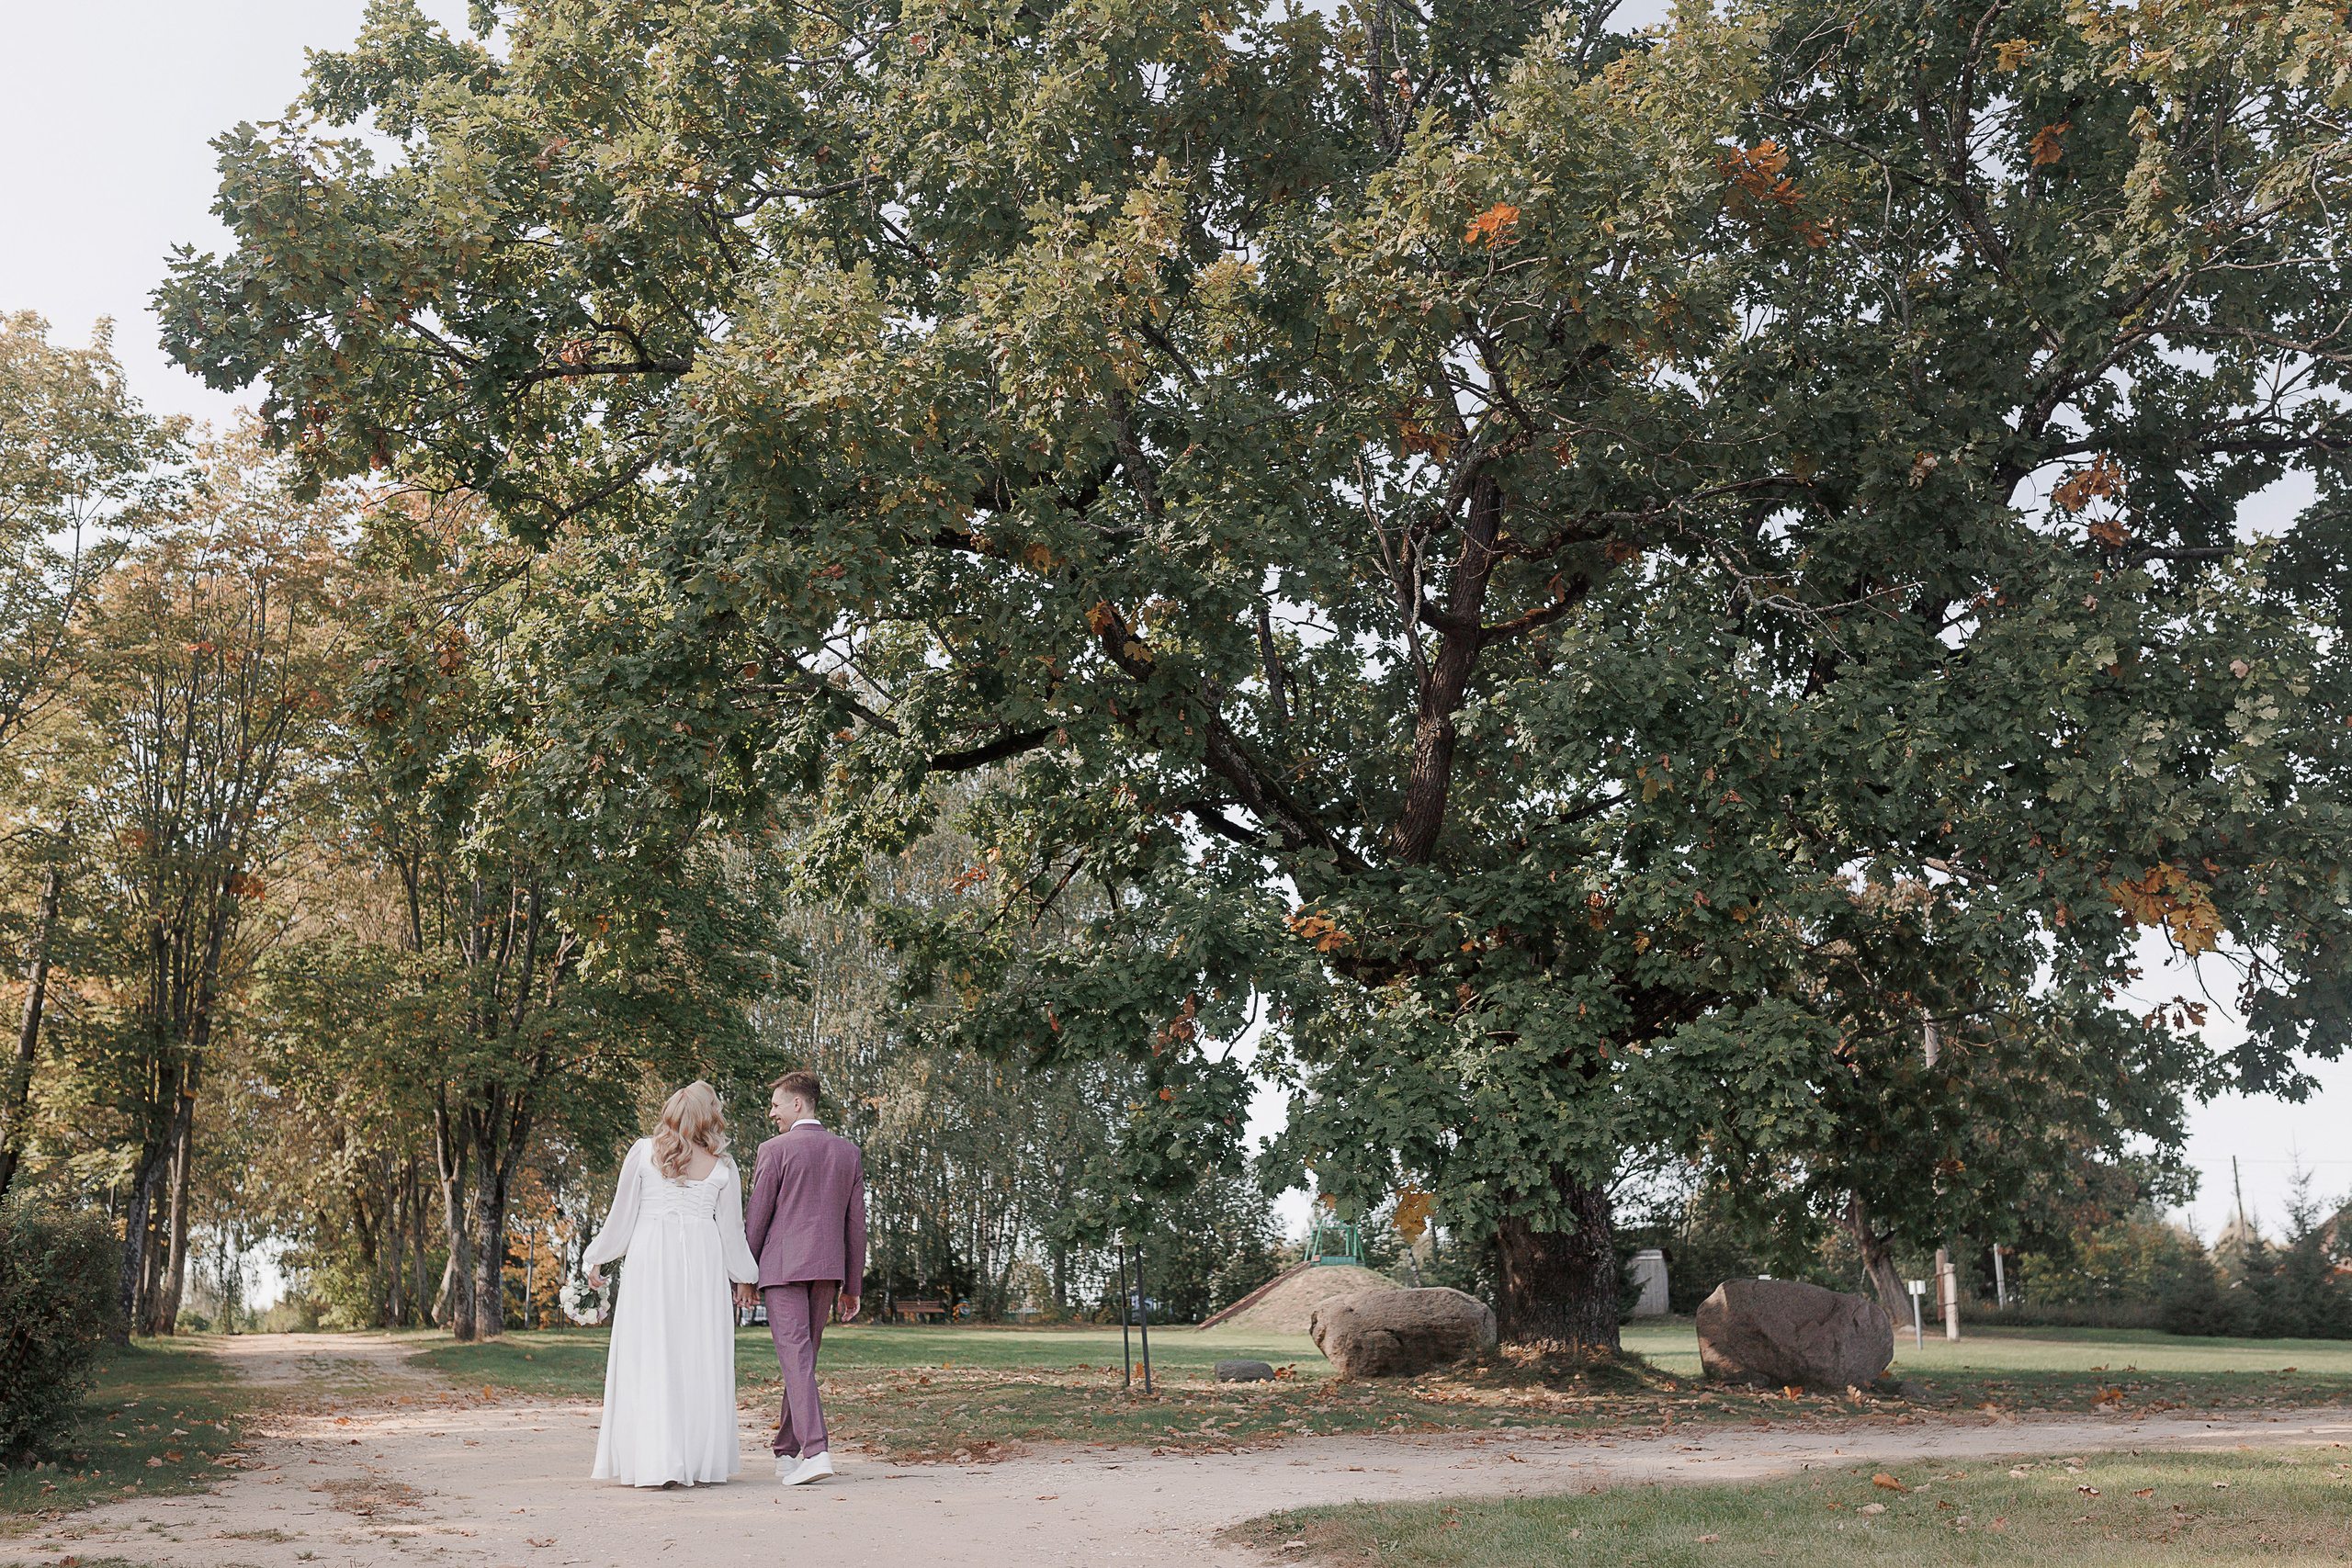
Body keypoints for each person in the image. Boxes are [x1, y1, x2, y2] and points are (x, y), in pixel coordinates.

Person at [582, 1080, 761, 1487]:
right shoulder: (723, 1165)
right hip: (702, 1260)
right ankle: (693, 1459)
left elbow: (621, 1216)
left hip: (651, 1258)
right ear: (708, 1117)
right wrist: (746, 1277)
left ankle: (654, 1456)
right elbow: (733, 1233)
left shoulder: (643, 1151)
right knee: (697, 1352)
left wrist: (598, 1257)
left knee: (652, 1349)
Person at [741, 1069, 866, 1485]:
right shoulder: (848, 1152)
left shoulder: (773, 1150)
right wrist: (853, 1285)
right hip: (828, 1271)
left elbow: (756, 1218)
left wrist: (743, 1274)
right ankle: (786, 1452)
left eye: (776, 1104)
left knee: (797, 1359)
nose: (771, 1112)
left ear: (798, 1104)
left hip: (782, 1269)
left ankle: (816, 1450)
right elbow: (856, 1226)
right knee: (802, 1360)